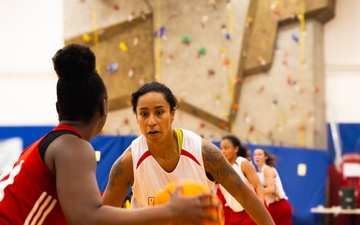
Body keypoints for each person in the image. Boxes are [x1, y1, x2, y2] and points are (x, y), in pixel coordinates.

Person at [0, 44, 221, 225]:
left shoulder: (46, 146)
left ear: (58, 108)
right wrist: (170, 211)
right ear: (103, 108)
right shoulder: (73, 147)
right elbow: (88, 219)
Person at [102, 81, 275, 225]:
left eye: (159, 112)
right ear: (137, 118)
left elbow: (244, 194)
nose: (152, 121)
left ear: (172, 114)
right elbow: (103, 215)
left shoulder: (203, 152)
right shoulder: (128, 162)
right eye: (144, 114)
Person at [216, 135, 265, 225]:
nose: (223, 151)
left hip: (249, 212)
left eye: (226, 148)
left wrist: (261, 210)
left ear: (236, 149)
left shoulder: (243, 164)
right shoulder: (221, 167)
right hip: (234, 214)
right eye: (221, 148)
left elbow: (259, 186)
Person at [253, 148, 293, 225]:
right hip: (271, 206)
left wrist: (256, 192)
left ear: (265, 157)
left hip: (279, 205)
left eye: (259, 154)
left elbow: (271, 189)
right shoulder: (258, 174)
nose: (257, 157)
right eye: (255, 155)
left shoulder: (267, 169)